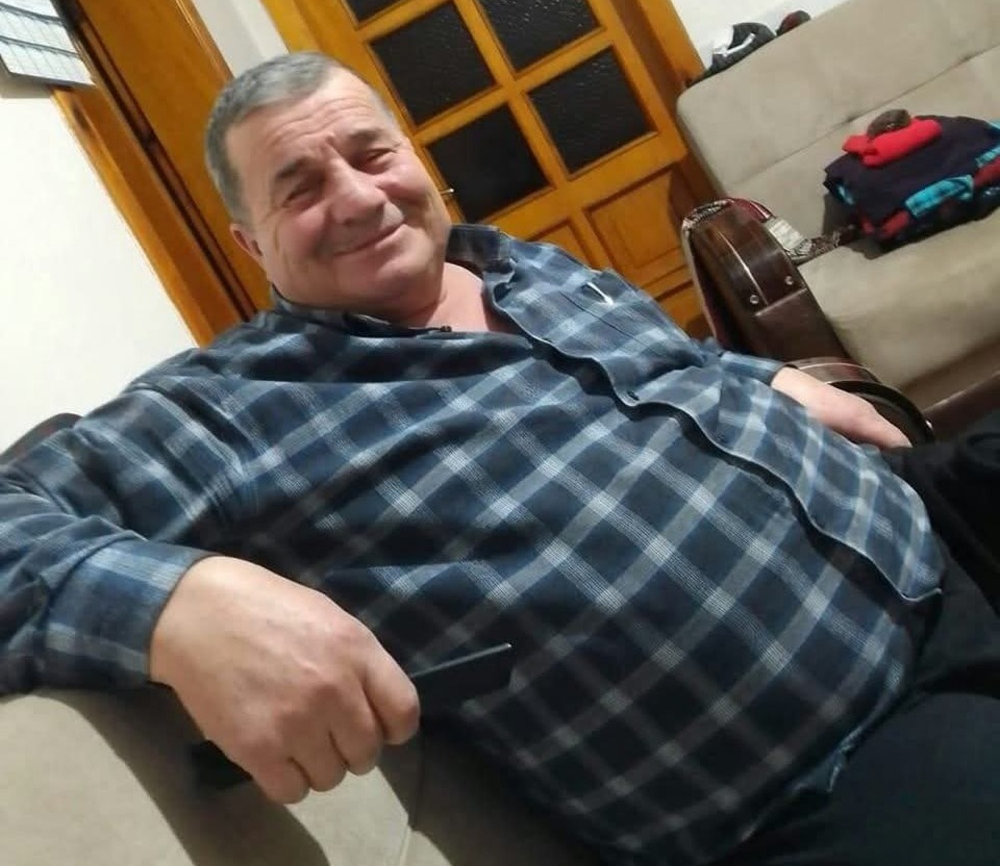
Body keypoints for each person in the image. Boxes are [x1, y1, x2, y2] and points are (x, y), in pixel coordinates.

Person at [1, 51, 998, 866]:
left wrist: (761, 377)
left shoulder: (513, 261)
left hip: (928, 525)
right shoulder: (230, 409)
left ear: (415, 159)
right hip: (843, 758)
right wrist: (179, 605)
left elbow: (669, 367)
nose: (356, 198)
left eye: (371, 154)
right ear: (250, 245)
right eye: (299, 187)